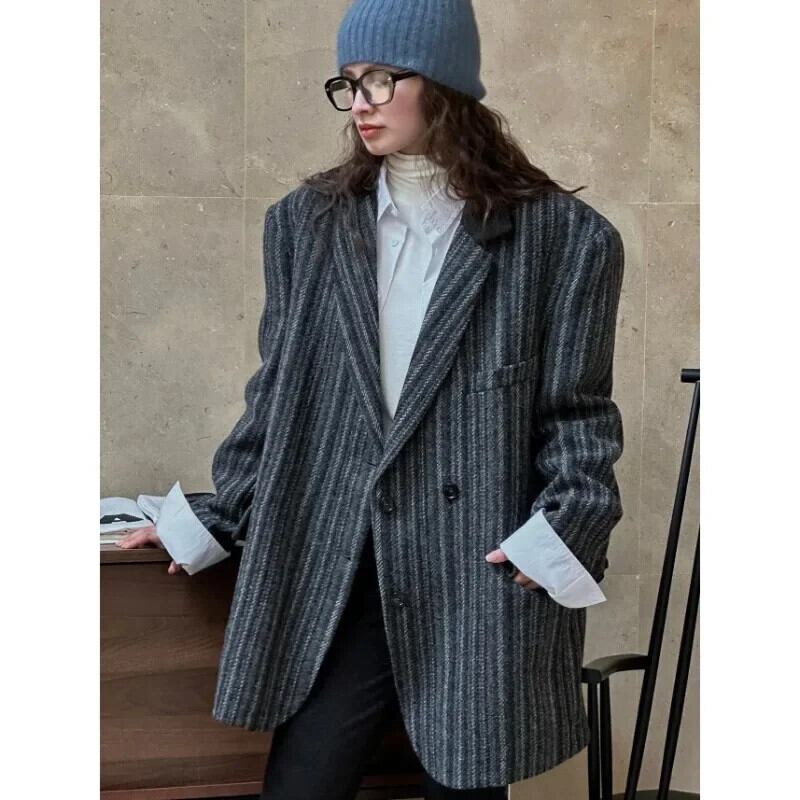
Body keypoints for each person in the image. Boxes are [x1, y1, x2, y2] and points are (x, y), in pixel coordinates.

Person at [117, 1, 625, 797]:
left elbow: (578, 414)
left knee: (466, 785)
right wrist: (213, 516)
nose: (360, 102)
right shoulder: (306, 226)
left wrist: (565, 524)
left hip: (478, 576)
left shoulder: (563, 240)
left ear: (446, 82)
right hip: (341, 566)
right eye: (349, 83)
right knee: (303, 784)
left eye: (382, 80)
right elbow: (279, 396)